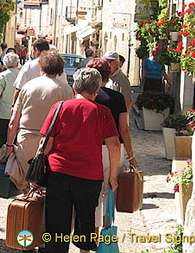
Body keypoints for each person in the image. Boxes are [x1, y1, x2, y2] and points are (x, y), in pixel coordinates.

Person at [39, 67, 121, 253]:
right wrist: (113, 176)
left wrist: (40, 169)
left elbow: (46, 142)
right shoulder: (103, 112)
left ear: (74, 87)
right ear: (96, 90)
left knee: (57, 221)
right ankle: (84, 250)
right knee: (86, 220)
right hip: (89, 175)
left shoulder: (59, 107)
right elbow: (114, 146)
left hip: (58, 172)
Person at [5, 50, 73, 192]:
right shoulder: (66, 90)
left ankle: (27, 213)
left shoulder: (28, 86)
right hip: (53, 142)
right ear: (60, 70)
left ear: (41, 67)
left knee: (27, 185)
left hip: (26, 139)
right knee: (47, 186)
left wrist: (9, 145)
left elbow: (14, 121)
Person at [87, 58, 138, 234]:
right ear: (107, 76)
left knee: (92, 192)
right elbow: (124, 129)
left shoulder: (85, 97)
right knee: (109, 191)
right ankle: (106, 230)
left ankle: (91, 234)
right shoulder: (117, 98)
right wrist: (131, 156)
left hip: (92, 148)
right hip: (113, 148)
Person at [12, 38, 68, 106]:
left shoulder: (29, 65)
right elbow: (65, 88)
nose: (32, 53)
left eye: (32, 51)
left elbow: (19, 89)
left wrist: (14, 106)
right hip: (53, 107)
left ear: (37, 50)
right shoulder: (58, 65)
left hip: (31, 106)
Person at [0, 52, 20, 149]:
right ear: (17, 63)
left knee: (2, 139)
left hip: (3, 112)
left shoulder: (2, 76)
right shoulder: (22, 75)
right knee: (15, 141)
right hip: (18, 112)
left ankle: (3, 159)